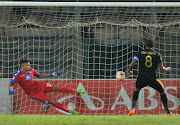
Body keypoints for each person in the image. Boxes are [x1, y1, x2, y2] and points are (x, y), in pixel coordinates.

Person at [8, 60, 85, 115]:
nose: (29, 66)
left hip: (40, 85)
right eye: (28, 65)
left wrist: (51, 75)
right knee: (52, 101)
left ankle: (77, 91)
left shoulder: (31, 70)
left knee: (57, 88)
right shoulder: (18, 75)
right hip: (34, 93)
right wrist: (10, 89)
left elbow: (40, 75)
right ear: (22, 66)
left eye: (29, 65)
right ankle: (71, 112)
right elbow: (11, 83)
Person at [127, 40, 173, 115]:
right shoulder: (157, 54)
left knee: (137, 90)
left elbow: (131, 65)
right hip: (153, 78)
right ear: (153, 46)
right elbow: (162, 69)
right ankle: (167, 111)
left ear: (145, 46)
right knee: (162, 91)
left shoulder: (139, 53)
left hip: (142, 77)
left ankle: (132, 109)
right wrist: (167, 69)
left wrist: (129, 71)